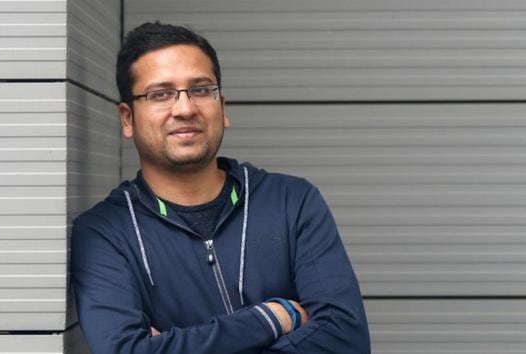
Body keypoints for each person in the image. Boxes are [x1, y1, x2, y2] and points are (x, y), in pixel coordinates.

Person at [70, 21, 370, 353]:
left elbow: (346, 340)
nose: (185, 109)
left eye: (200, 89)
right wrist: (271, 318)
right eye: (160, 94)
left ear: (222, 107)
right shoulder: (105, 233)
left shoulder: (292, 202)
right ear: (128, 119)